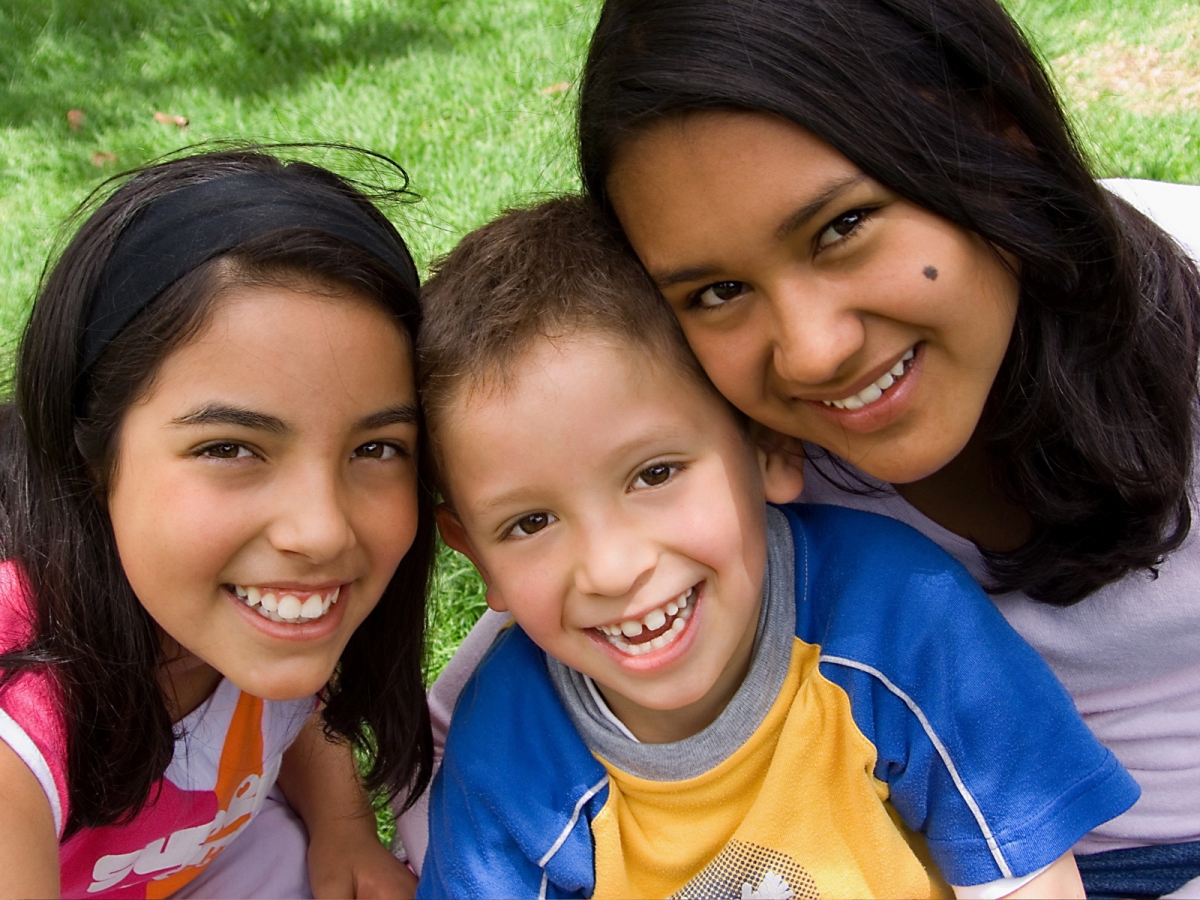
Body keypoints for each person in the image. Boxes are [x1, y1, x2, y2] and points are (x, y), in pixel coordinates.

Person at [402, 2, 1200, 897]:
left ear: (999, 138)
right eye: (719, 289)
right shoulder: (749, 456)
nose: (812, 350)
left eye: (843, 226)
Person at [0, 149, 436, 898]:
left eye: (375, 447)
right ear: (90, 454)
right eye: (230, 448)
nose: (321, 530)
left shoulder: (236, 613)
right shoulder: (22, 701)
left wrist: (343, 827)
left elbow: (293, 699)